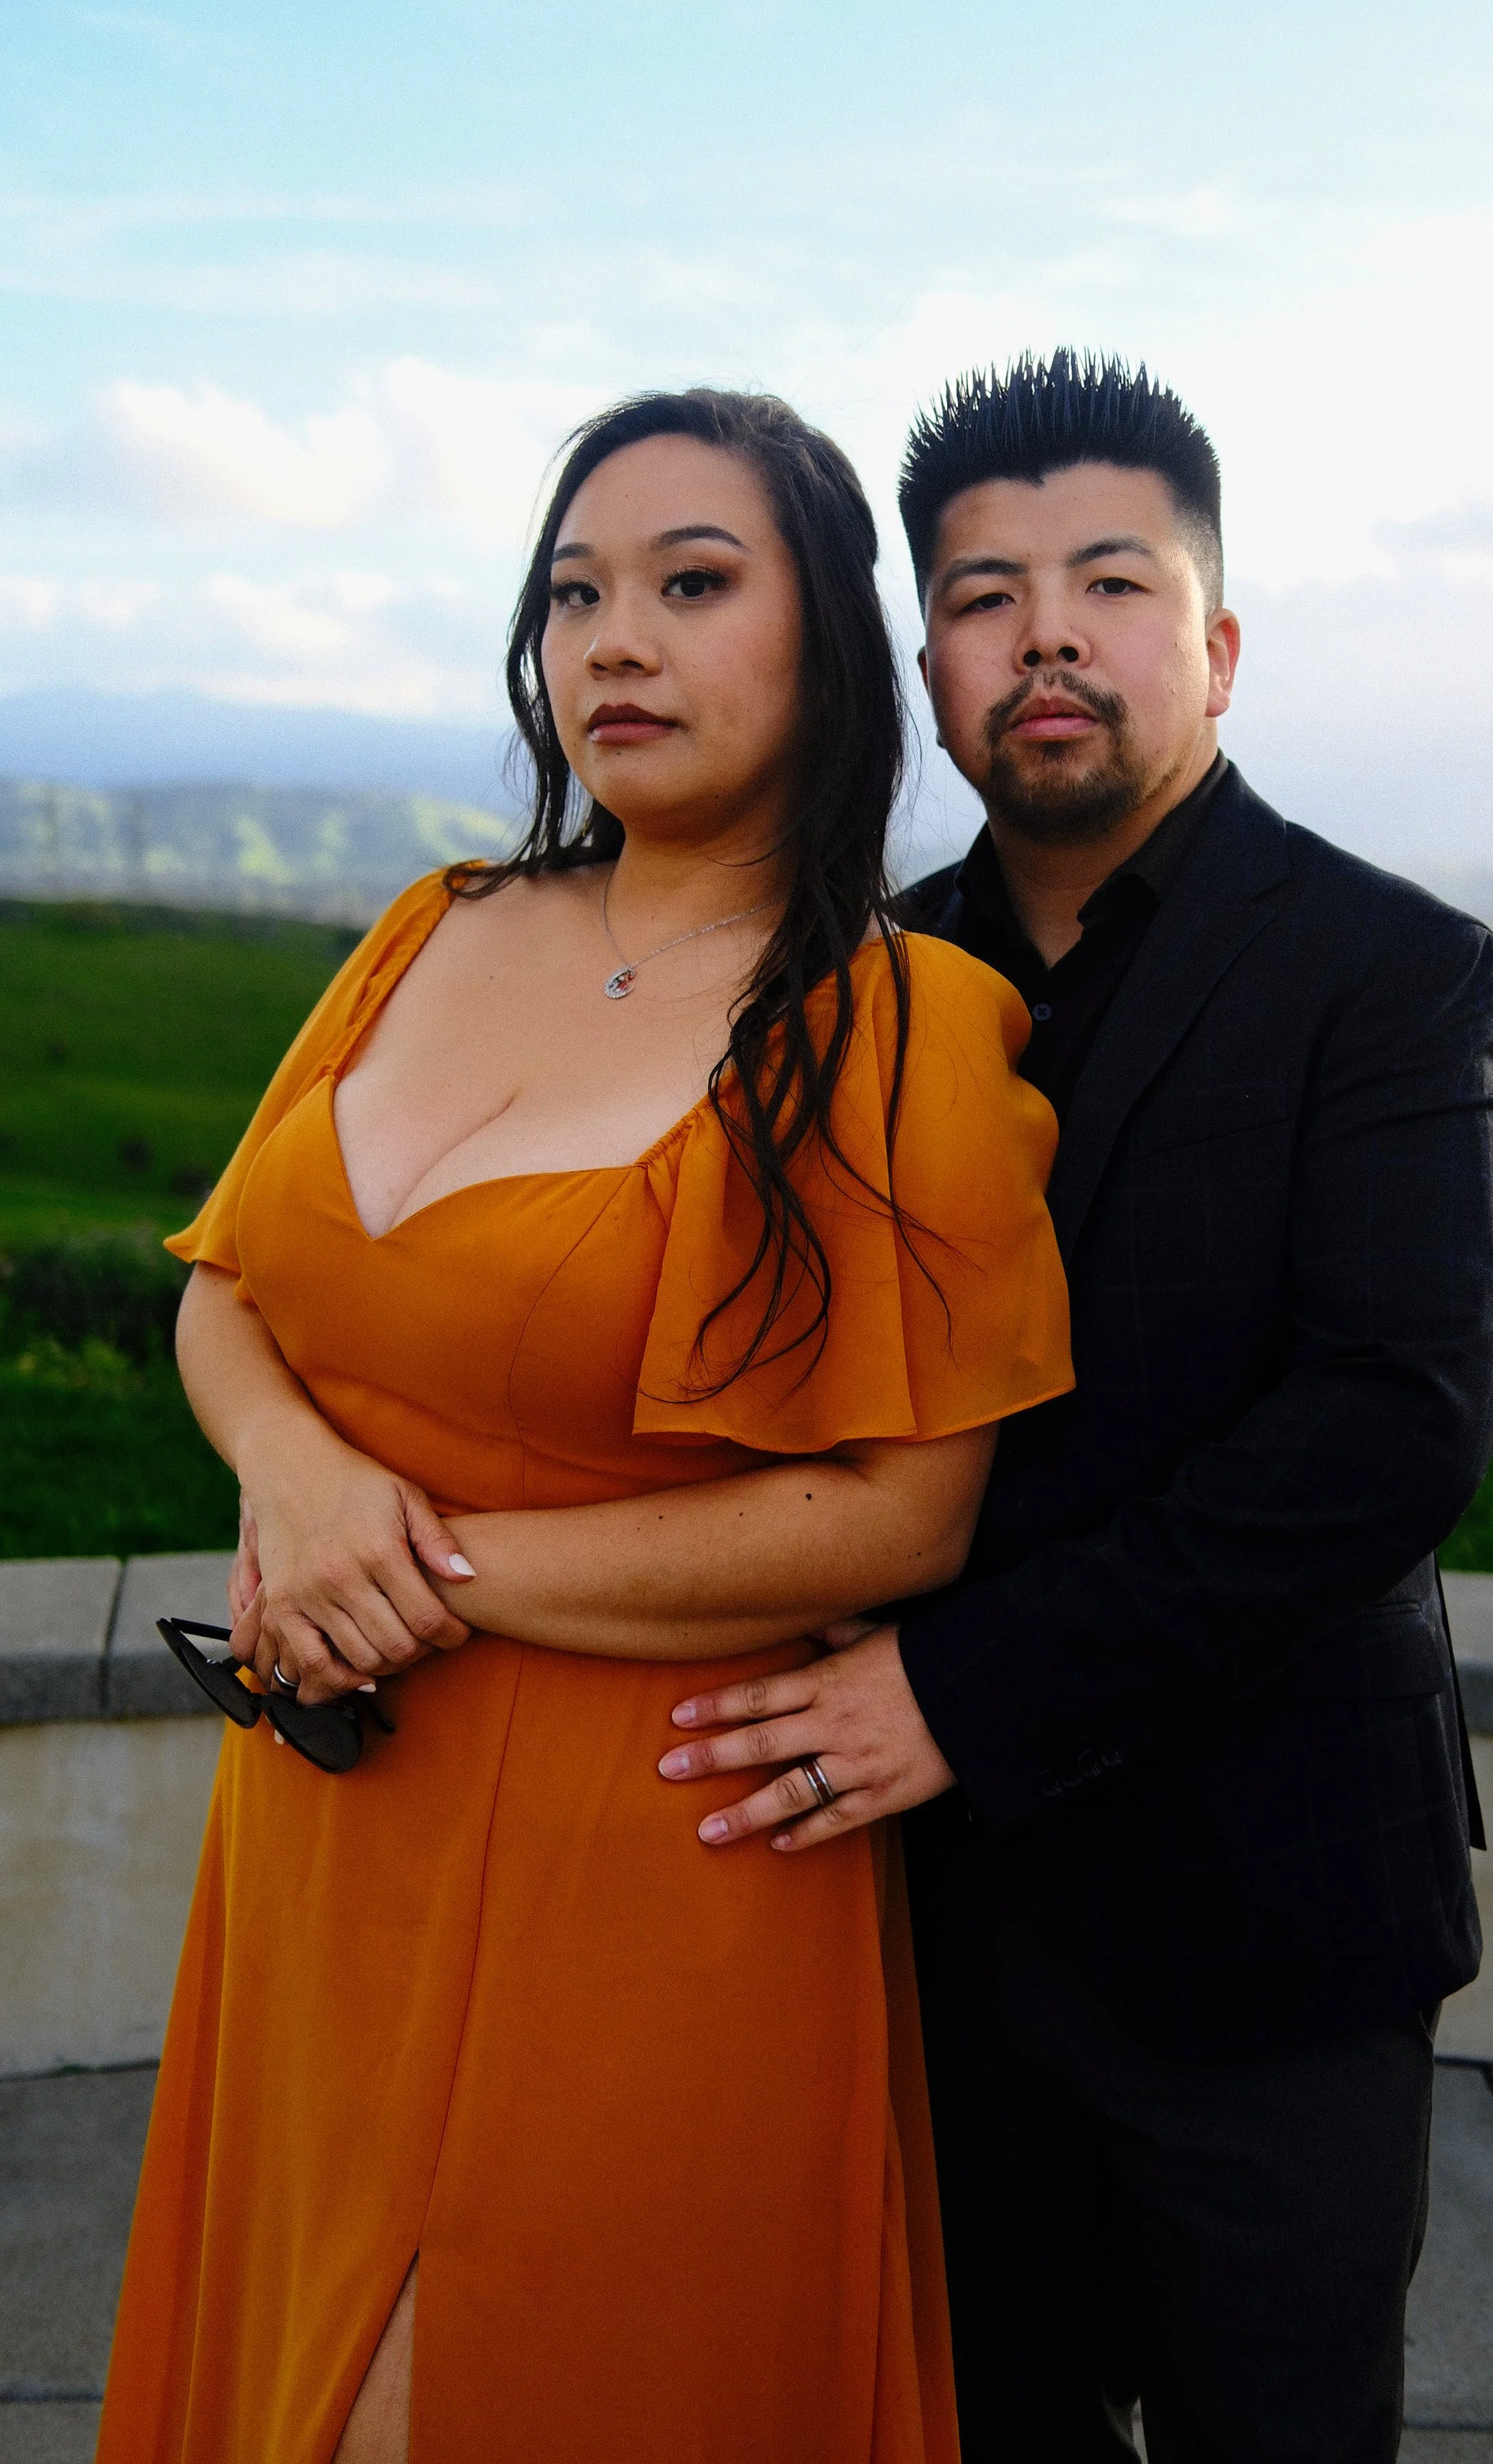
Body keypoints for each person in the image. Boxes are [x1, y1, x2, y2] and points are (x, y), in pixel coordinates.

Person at [97, 388, 1075, 2464]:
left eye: (693, 585)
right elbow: (226, 1284)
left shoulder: (895, 1023)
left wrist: (417, 1568)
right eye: (574, 594)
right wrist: (297, 1476)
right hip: (323, 1819)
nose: (613, 641)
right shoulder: (431, 924)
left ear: (828, 645)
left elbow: (904, 1512)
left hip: (642, 1851)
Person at [660, 351, 1493, 2463]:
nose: (1043, 631)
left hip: (1272, 1916)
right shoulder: (852, 985)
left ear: (1213, 648)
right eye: (979, 594)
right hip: (935, 1928)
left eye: (1109, 582)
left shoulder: (1389, 970)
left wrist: (965, 1685)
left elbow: (1391, 1422)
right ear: (929, 674)